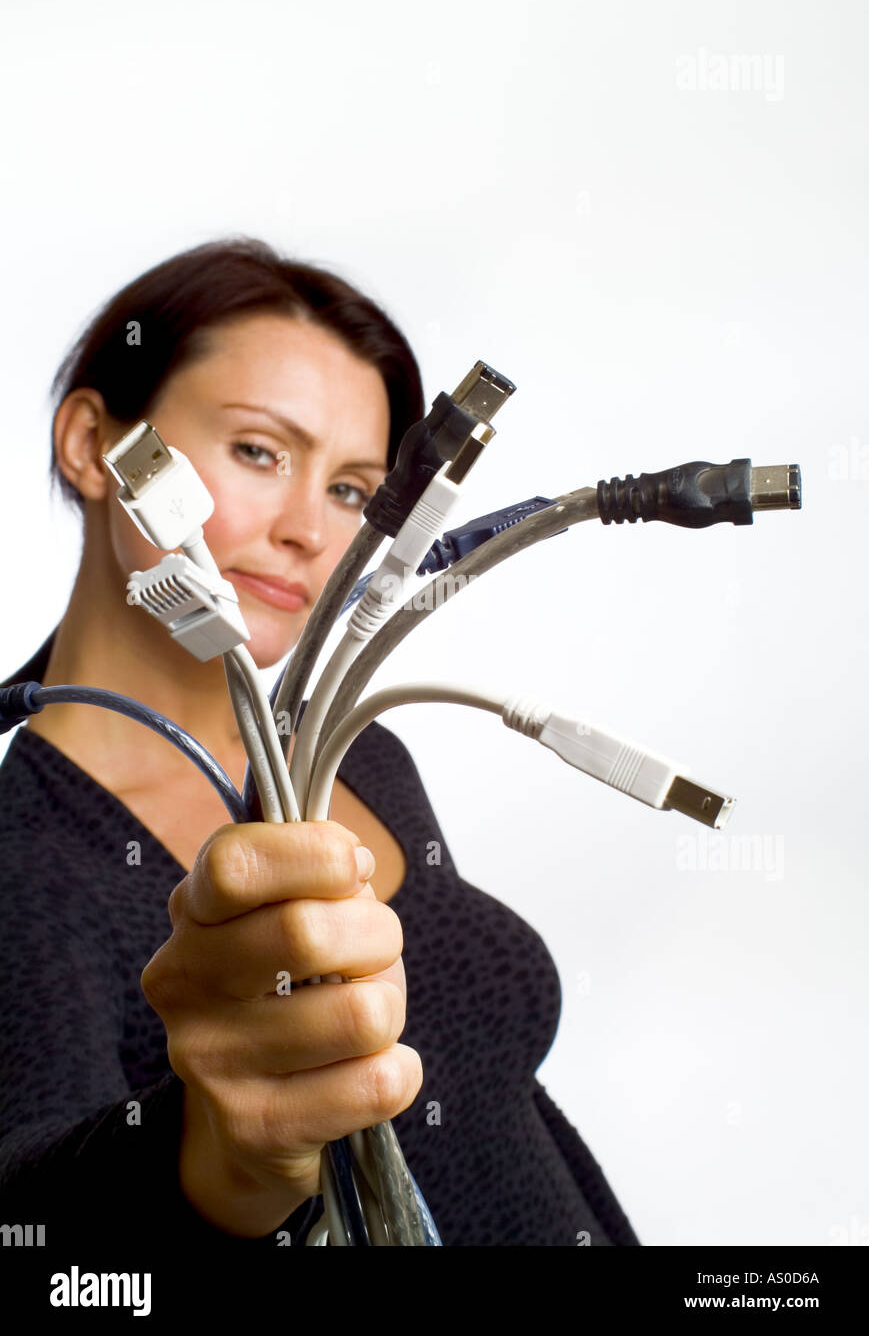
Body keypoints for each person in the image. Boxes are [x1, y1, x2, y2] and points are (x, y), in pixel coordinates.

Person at [0, 237, 641, 1260]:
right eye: (258, 450)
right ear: (90, 444)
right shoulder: (28, 857)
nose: (307, 528)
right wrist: (215, 1159)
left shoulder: (357, 754)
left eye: (351, 490)